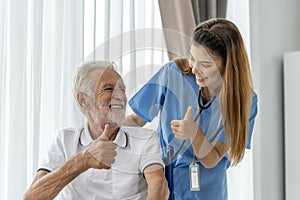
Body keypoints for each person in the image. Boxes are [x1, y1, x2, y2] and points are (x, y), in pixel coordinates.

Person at [123, 18, 258, 200]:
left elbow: (212, 159)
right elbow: (135, 120)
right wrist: (102, 136)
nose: (194, 69)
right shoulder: (172, 73)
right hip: (164, 184)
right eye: (193, 58)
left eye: (206, 64)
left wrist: (193, 132)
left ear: (228, 65)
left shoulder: (244, 101)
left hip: (207, 192)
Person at [23, 61, 169, 200]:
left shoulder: (145, 139)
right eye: (109, 88)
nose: (119, 96)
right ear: (83, 100)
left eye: (122, 89)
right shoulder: (64, 140)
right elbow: (32, 197)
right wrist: (83, 160)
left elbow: (159, 185)